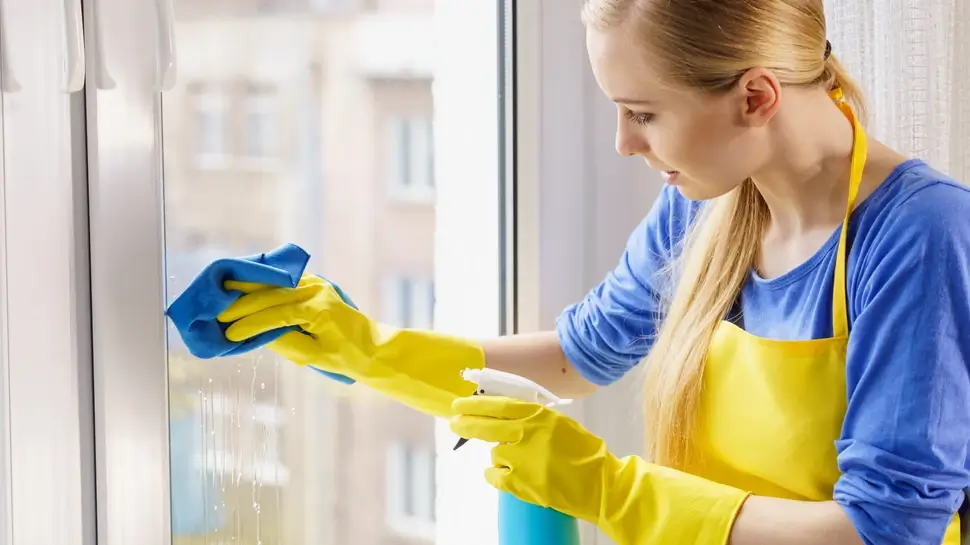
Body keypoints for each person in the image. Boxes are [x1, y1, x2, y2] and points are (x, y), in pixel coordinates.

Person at [214, 0, 970, 543]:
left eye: (642, 112)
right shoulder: (706, 204)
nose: (621, 142)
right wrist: (366, 348)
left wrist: (605, 486)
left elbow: (882, 530)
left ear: (755, 96)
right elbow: (581, 352)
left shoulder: (919, 236)